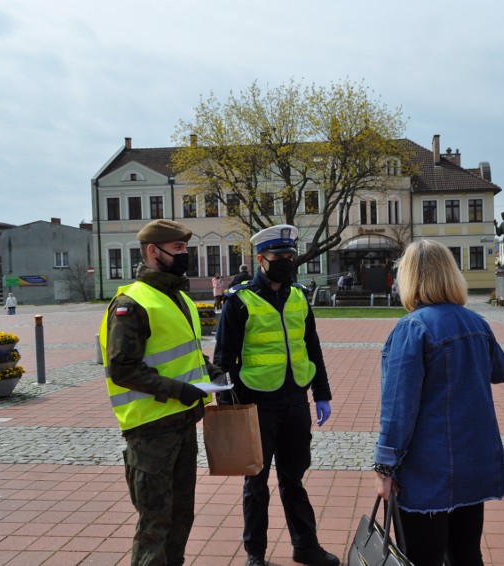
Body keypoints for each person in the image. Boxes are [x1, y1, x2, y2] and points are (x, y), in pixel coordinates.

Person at [373, 239, 504, 566]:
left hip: (428, 473)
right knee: (466, 554)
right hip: (472, 466)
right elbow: (502, 371)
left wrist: (384, 467)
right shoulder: (476, 323)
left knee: (422, 557)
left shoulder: (412, 328)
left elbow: (398, 409)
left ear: (410, 279)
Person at [99, 219, 228, 566]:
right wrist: (178, 390)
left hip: (183, 423)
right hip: (150, 431)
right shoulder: (132, 302)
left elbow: (184, 352)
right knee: (155, 523)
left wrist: (211, 371)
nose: (186, 255)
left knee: (180, 517)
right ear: (154, 252)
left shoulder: (179, 297)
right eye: (179, 249)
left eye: (186, 248)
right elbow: (123, 368)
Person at [213, 224, 339, 566]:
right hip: (257, 404)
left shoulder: (299, 296)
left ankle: (306, 546)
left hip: (295, 401)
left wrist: (321, 393)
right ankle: (255, 554)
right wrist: (231, 406)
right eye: (278, 257)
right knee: (256, 483)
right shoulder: (239, 302)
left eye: (289, 256)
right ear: (260, 259)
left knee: (293, 479)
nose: (286, 261)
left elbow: (312, 348)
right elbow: (223, 359)